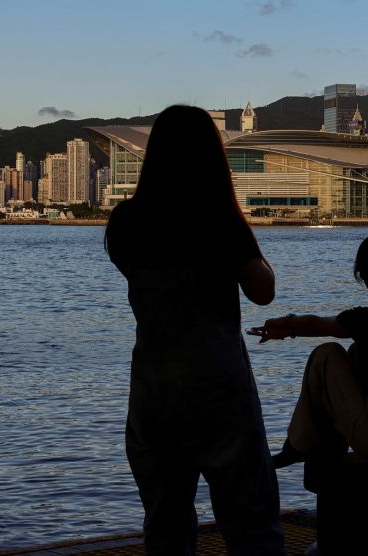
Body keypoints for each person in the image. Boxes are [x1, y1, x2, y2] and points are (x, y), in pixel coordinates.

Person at [104, 105, 283, 555]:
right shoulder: (218, 221)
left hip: (154, 387)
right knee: (251, 523)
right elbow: (263, 291)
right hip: (219, 384)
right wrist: (238, 225)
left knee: (166, 525)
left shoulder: (126, 223)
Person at [252, 232, 368, 467]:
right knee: (355, 353)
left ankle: (297, 446)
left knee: (326, 355)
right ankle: (317, 443)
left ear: (362, 275)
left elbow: (318, 324)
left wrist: (285, 325)